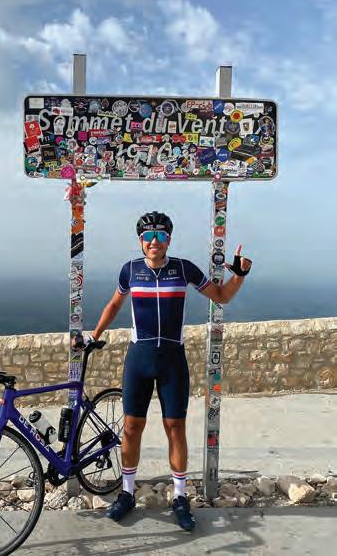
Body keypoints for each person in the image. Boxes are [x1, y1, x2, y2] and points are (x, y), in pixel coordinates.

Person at [79, 211, 252, 531]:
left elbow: (221, 296)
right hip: (139, 359)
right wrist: (94, 336)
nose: (154, 241)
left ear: (169, 240)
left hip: (172, 359)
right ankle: (127, 493)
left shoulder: (183, 268)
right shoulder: (130, 270)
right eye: (148, 236)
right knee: (131, 428)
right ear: (140, 241)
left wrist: (239, 275)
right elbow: (114, 305)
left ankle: (180, 497)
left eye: (161, 235)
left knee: (175, 427)